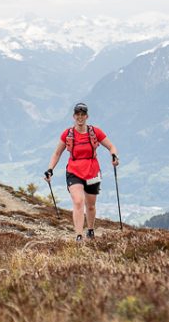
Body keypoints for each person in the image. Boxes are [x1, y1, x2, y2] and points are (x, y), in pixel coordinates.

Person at [44, 102, 119, 242]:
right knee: (78, 201)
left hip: (92, 172)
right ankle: (79, 236)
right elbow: (57, 153)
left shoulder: (95, 132)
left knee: (90, 206)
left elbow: (111, 146)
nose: (80, 117)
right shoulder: (68, 134)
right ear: (73, 116)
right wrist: (50, 169)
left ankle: (90, 230)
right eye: (77, 114)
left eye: (82, 114)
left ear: (87, 116)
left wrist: (114, 156)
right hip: (74, 171)